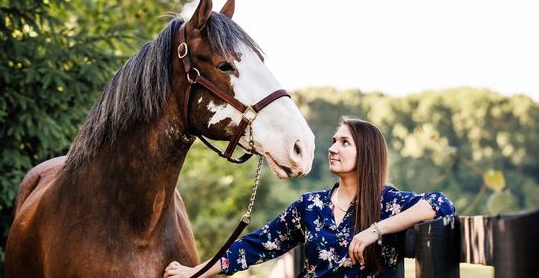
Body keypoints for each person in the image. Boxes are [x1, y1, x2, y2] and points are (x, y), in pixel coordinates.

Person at [164, 116, 456, 277]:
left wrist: (374, 230)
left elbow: (441, 204)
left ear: (366, 153)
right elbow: (255, 245)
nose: (332, 149)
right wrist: (197, 271)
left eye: (344, 142)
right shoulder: (309, 206)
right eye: (333, 141)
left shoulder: (388, 203)